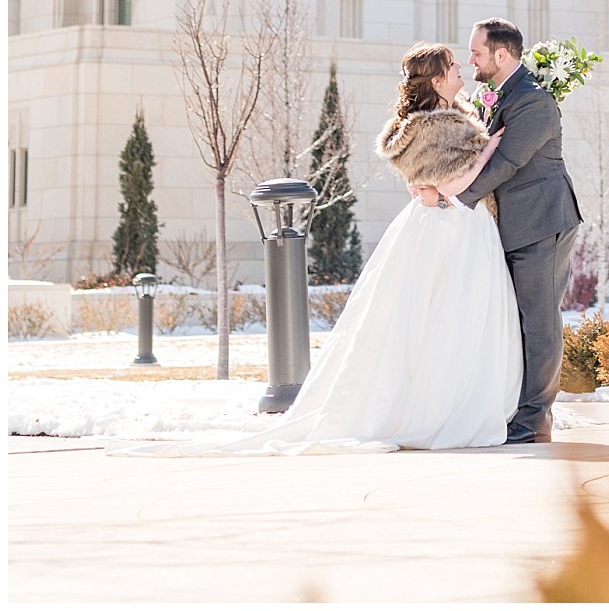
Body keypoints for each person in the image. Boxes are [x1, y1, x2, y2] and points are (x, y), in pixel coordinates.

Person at [112, 42, 520, 455]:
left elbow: (440, 182)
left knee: (444, 320)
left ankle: (451, 400)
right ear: (436, 79)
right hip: (447, 231)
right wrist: (490, 146)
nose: (461, 72)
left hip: (453, 226)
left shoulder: (447, 119)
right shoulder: (435, 126)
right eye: (453, 67)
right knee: (441, 319)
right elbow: (452, 185)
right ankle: (438, 409)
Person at [413, 18, 581, 444]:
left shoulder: (534, 101)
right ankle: (511, 410)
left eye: (477, 53)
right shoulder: (498, 95)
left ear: (501, 55)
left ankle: (533, 421)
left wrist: (454, 196)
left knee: (538, 323)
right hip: (509, 227)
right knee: (513, 322)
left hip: (541, 223)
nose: (470, 60)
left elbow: (507, 162)